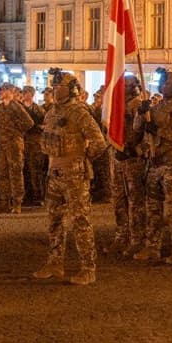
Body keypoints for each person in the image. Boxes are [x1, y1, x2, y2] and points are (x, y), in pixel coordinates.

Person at [33, 68, 106, 285]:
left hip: (74, 176)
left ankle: (87, 267)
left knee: (80, 222)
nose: (56, 91)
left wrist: (82, 159)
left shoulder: (79, 113)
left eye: (60, 87)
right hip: (54, 172)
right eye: (54, 87)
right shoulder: (52, 112)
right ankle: (55, 262)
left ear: (72, 90)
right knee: (54, 221)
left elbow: (99, 142)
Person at [135, 69, 172, 265]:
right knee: (153, 209)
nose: (162, 86)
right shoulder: (157, 108)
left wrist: (159, 130)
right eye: (162, 83)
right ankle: (153, 246)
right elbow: (138, 129)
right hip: (155, 163)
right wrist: (141, 114)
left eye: (166, 83)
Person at [110, 75, 148, 257]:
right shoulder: (117, 105)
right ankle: (121, 236)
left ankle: (137, 239)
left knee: (135, 201)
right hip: (118, 157)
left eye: (125, 85)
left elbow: (147, 134)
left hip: (133, 159)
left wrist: (137, 150)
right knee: (119, 200)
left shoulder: (138, 105)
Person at [0, 83, 34, 213]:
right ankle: (5, 202)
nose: (0, 93)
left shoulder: (16, 106)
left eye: (2, 91)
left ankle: (17, 203)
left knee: (15, 173)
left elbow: (29, 122)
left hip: (14, 144)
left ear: (9, 91)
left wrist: (15, 130)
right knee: (2, 174)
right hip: (2, 145)